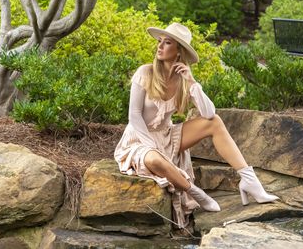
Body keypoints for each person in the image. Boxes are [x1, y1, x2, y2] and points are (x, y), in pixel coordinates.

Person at [114, 22, 279, 230]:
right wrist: (151, 146)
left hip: (167, 135)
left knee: (215, 123)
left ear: (179, 52)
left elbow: (209, 114)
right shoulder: (145, 72)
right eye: (160, 42)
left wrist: (192, 82)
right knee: (155, 159)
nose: (160, 46)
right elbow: (134, 115)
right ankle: (196, 192)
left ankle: (250, 182)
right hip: (139, 139)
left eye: (167, 43)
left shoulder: (183, 80)